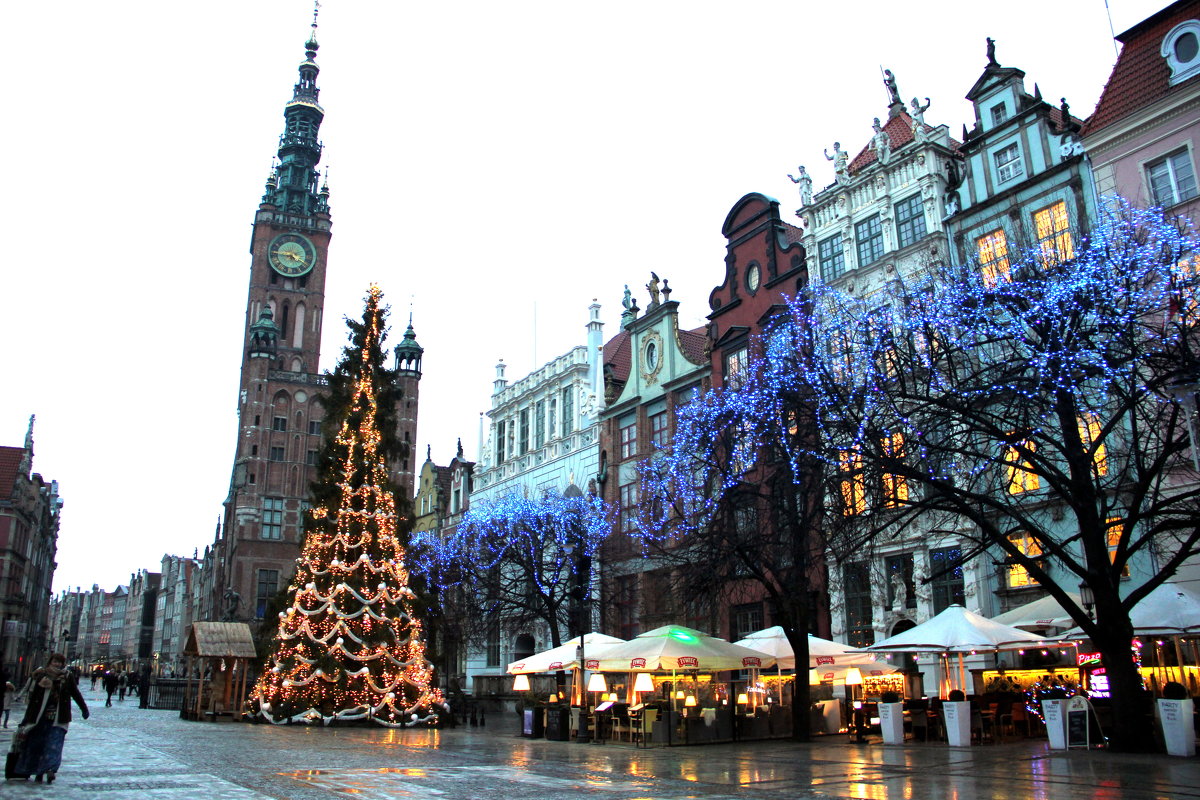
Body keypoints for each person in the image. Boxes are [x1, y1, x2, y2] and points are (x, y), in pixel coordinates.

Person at [15, 653, 89, 783]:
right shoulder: (42, 675)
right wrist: (26, 718)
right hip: (40, 717)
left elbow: (75, 693)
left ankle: (50, 769)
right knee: (38, 744)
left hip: (59, 717)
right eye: (55, 661)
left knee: (54, 745)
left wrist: (84, 709)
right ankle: (38, 771)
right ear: (50, 662)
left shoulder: (67, 676)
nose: (57, 664)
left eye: (60, 662)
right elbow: (34, 698)